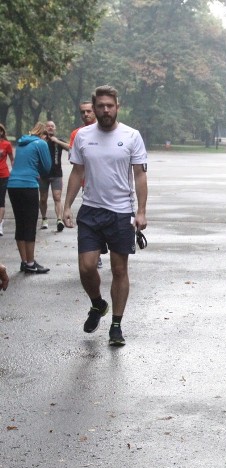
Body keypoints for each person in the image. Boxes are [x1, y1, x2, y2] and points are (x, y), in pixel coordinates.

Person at [62, 85, 148, 346]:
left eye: (110, 105)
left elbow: (140, 175)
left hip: (121, 213)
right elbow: (77, 172)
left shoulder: (131, 136)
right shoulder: (83, 136)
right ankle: (98, 304)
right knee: (86, 267)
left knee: (119, 269)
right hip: (91, 211)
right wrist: (66, 207)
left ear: (117, 107)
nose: (106, 110)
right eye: (101, 106)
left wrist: (141, 211)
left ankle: (116, 326)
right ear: (95, 108)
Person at [7, 123, 52, 274]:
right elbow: (47, 167)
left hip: (12, 184)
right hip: (28, 185)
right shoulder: (41, 143)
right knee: (30, 223)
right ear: (43, 134)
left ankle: (24, 261)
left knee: (20, 223)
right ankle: (31, 263)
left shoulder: (21, 142)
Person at [69, 101, 104, 268]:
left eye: (89, 111)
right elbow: (76, 165)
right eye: (82, 112)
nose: (85, 115)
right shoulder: (77, 134)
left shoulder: (108, 129)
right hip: (87, 184)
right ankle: (94, 252)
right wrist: (66, 205)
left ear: (95, 111)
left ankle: (100, 248)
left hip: (110, 186)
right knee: (93, 218)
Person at [39, 121, 71, 231]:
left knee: (57, 197)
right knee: (43, 198)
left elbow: (70, 147)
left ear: (55, 128)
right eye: (48, 126)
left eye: (52, 126)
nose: (50, 128)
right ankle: (44, 219)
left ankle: (59, 220)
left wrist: (56, 141)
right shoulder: (40, 141)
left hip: (57, 174)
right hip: (43, 174)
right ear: (45, 128)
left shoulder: (58, 141)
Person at [0, 124, 14, 237]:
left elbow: (12, 160)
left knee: (1, 200)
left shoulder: (7, 144)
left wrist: (15, 173)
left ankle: (0, 223)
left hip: (3, 175)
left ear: (2, 132)